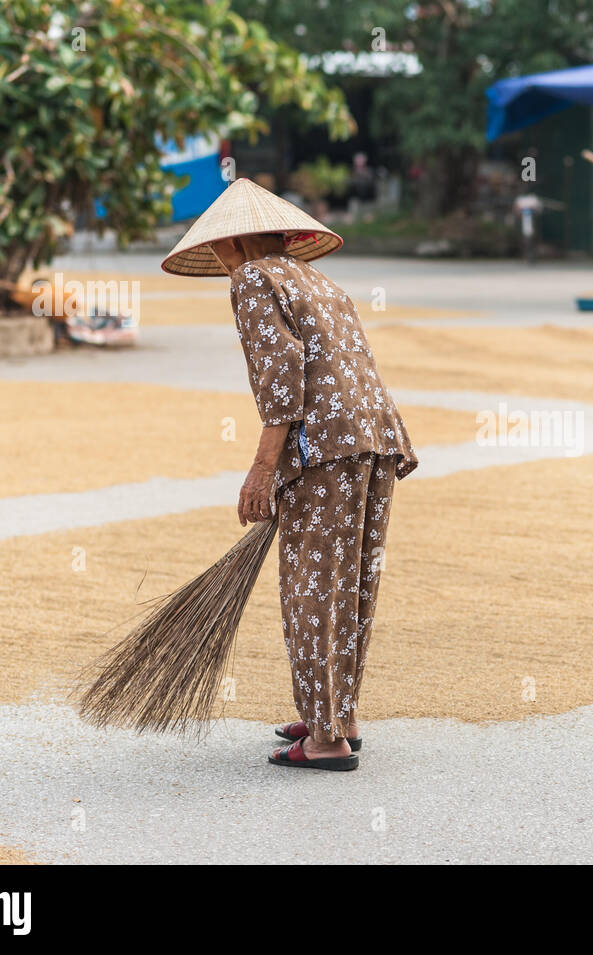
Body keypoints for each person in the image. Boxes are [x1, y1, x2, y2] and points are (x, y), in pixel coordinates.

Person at [161, 178, 418, 772]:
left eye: (223, 248)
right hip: (374, 439)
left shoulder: (252, 278)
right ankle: (338, 714)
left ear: (237, 242)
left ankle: (326, 741)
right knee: (350, 582)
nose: (223, 261)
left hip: (323, 447)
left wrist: (260, 471)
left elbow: (281, 379)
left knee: (310, 585)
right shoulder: (320, 280)